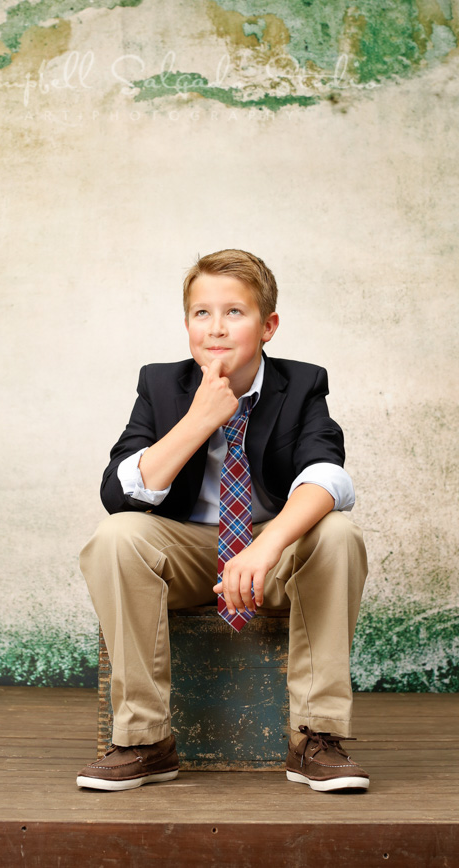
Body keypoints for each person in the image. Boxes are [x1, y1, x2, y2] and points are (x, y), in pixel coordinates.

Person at [77, 249, 369, 793]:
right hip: (186, 553)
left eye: (234, 312)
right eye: (201, 314)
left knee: (337, 533)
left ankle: (315, 737)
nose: (215, 329)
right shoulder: (162, 384)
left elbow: (331, 477)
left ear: (268, 326)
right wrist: (199, 419)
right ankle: (144, 741)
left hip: (270, 555)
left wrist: (267, 545)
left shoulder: (302, 384)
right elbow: (118, 492)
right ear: (187, 324)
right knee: (116, 537)